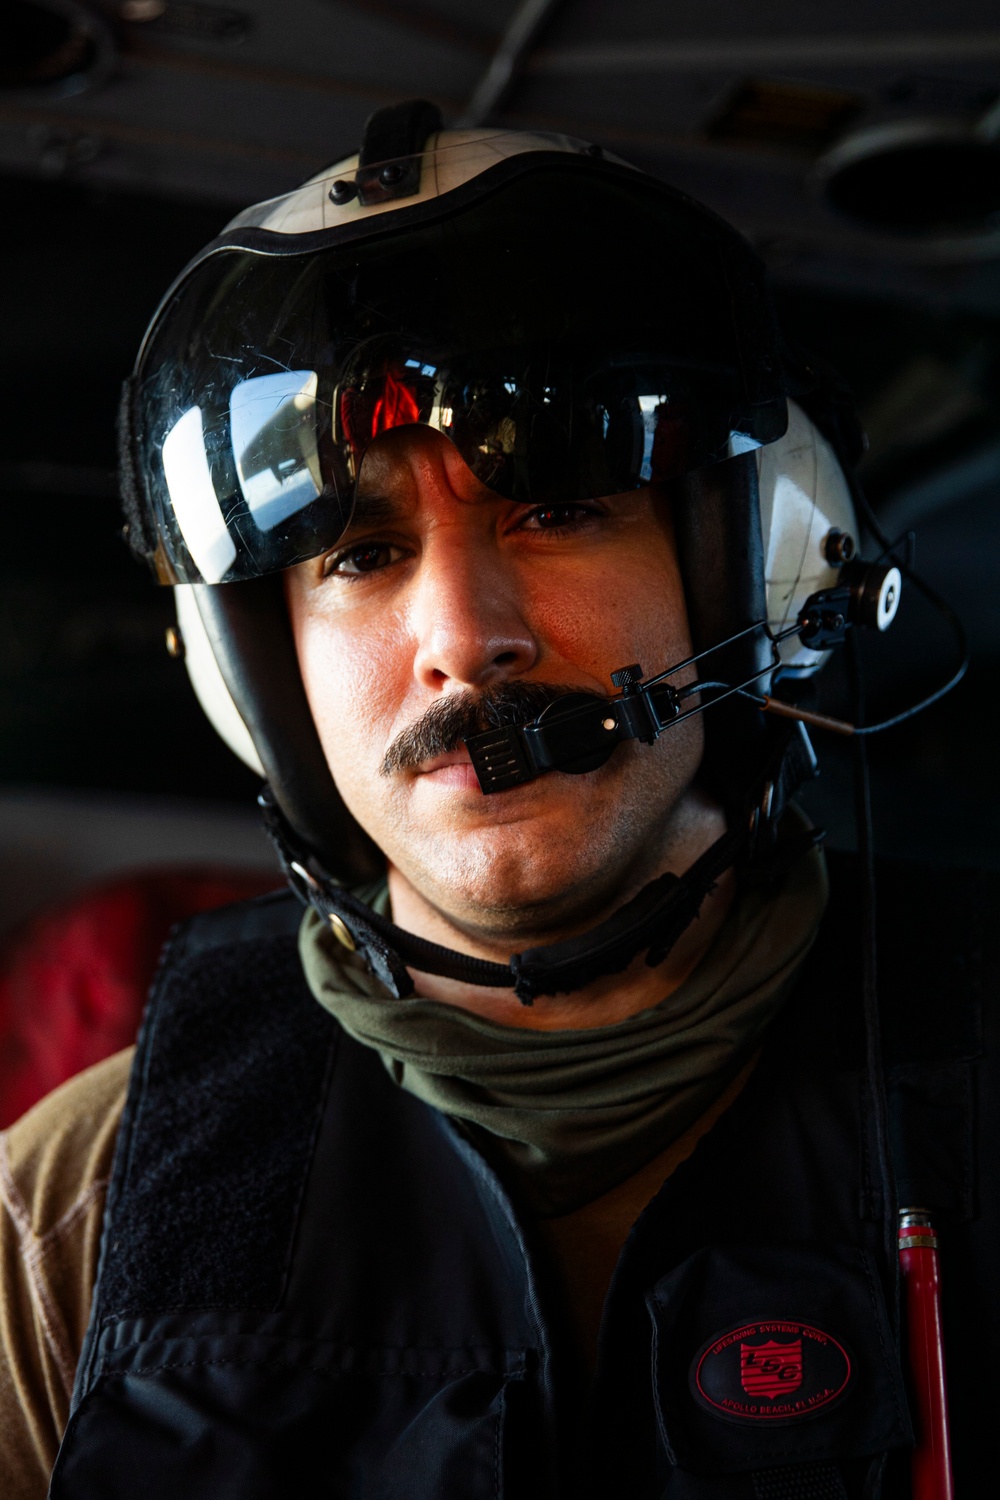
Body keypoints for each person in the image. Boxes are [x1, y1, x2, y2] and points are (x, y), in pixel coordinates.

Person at [0, 102, 993, 1500]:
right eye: (358, 554)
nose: (466, 637)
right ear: (254, 675)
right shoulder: (75, 1214)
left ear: (752, 561)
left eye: (559, 511)